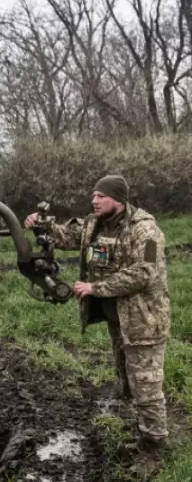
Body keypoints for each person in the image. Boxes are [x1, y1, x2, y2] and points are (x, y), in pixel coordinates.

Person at [25, 175, 171, 452]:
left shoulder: (147, 231)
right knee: (128, 378)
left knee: (146, 383)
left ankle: (154, 445)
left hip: (143, 320)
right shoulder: (95, 224)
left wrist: (96, 287)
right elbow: (67, 236)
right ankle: (142, 428)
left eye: (100, 196)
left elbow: (145, 271)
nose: (94, 200)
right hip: (119, 318)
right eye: (93, 196)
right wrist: (40, 224)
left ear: (118, 199)